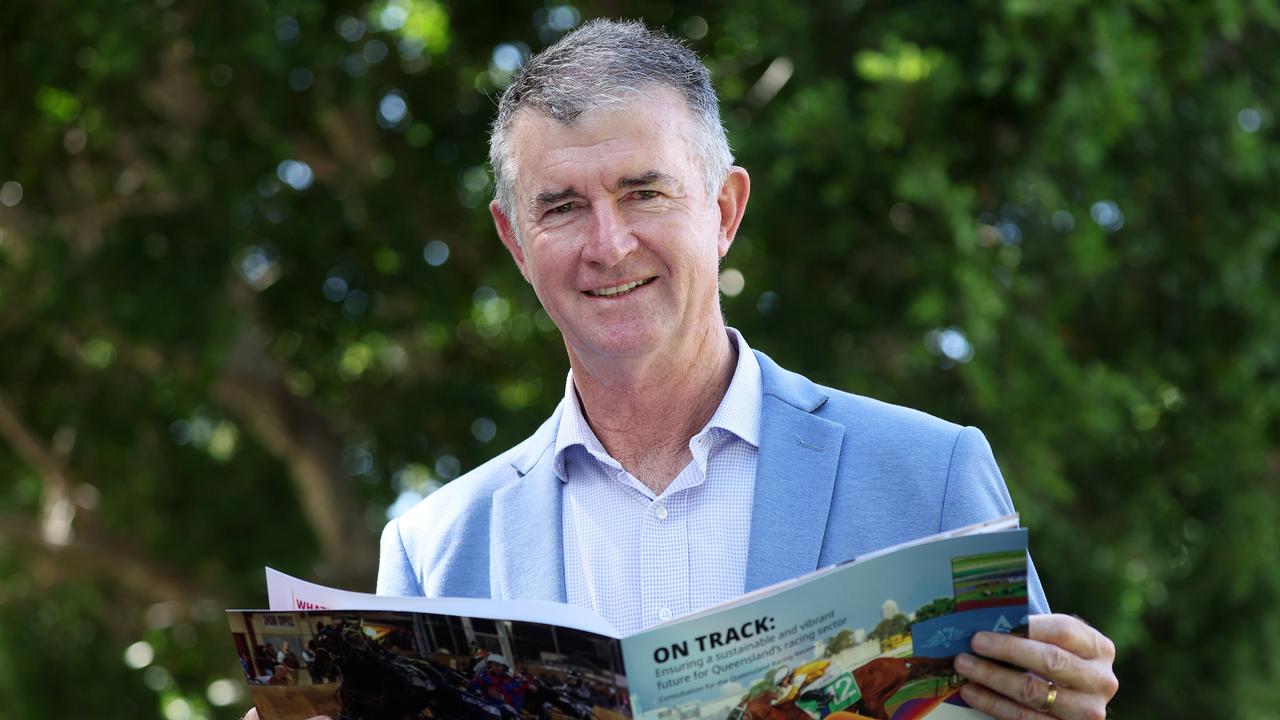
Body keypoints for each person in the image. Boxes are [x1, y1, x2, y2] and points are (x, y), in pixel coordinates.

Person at [248, 17, 1117, 720]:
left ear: (724, 210)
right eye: (561, 206)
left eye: (644, 192)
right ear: (515, 241)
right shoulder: (435, 552)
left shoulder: (929, 475)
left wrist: (1063, 710)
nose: (608, 243)